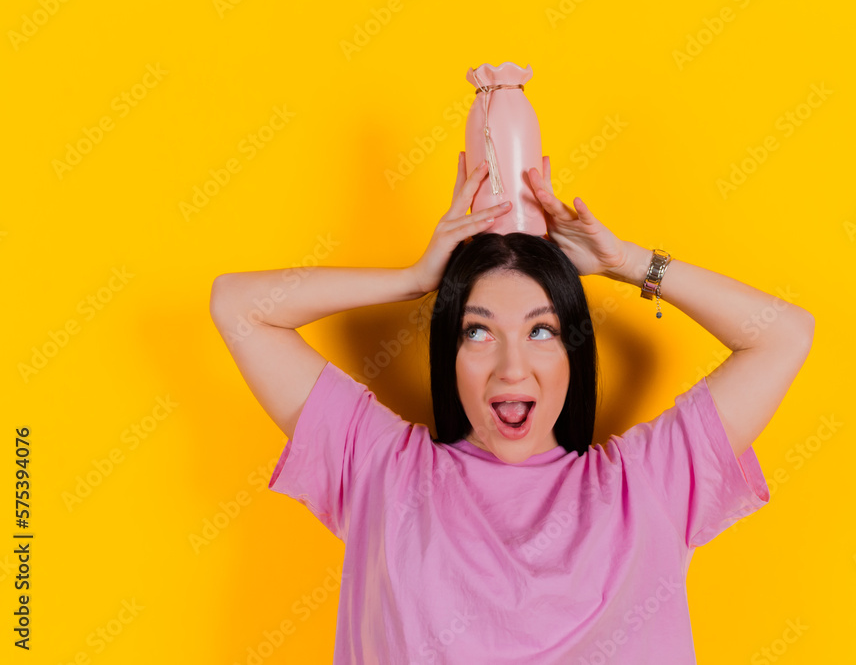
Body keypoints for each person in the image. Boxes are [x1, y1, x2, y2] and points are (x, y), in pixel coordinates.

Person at [209, 151, 814, 664]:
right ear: (449, 353)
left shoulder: (646, 484)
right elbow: (238, 305)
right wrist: (413, 279)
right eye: (477, 332)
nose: (511, 367)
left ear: (573, 352)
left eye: (541, 332)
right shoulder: (382, 468)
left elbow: (784, 334)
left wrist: (627, 262)